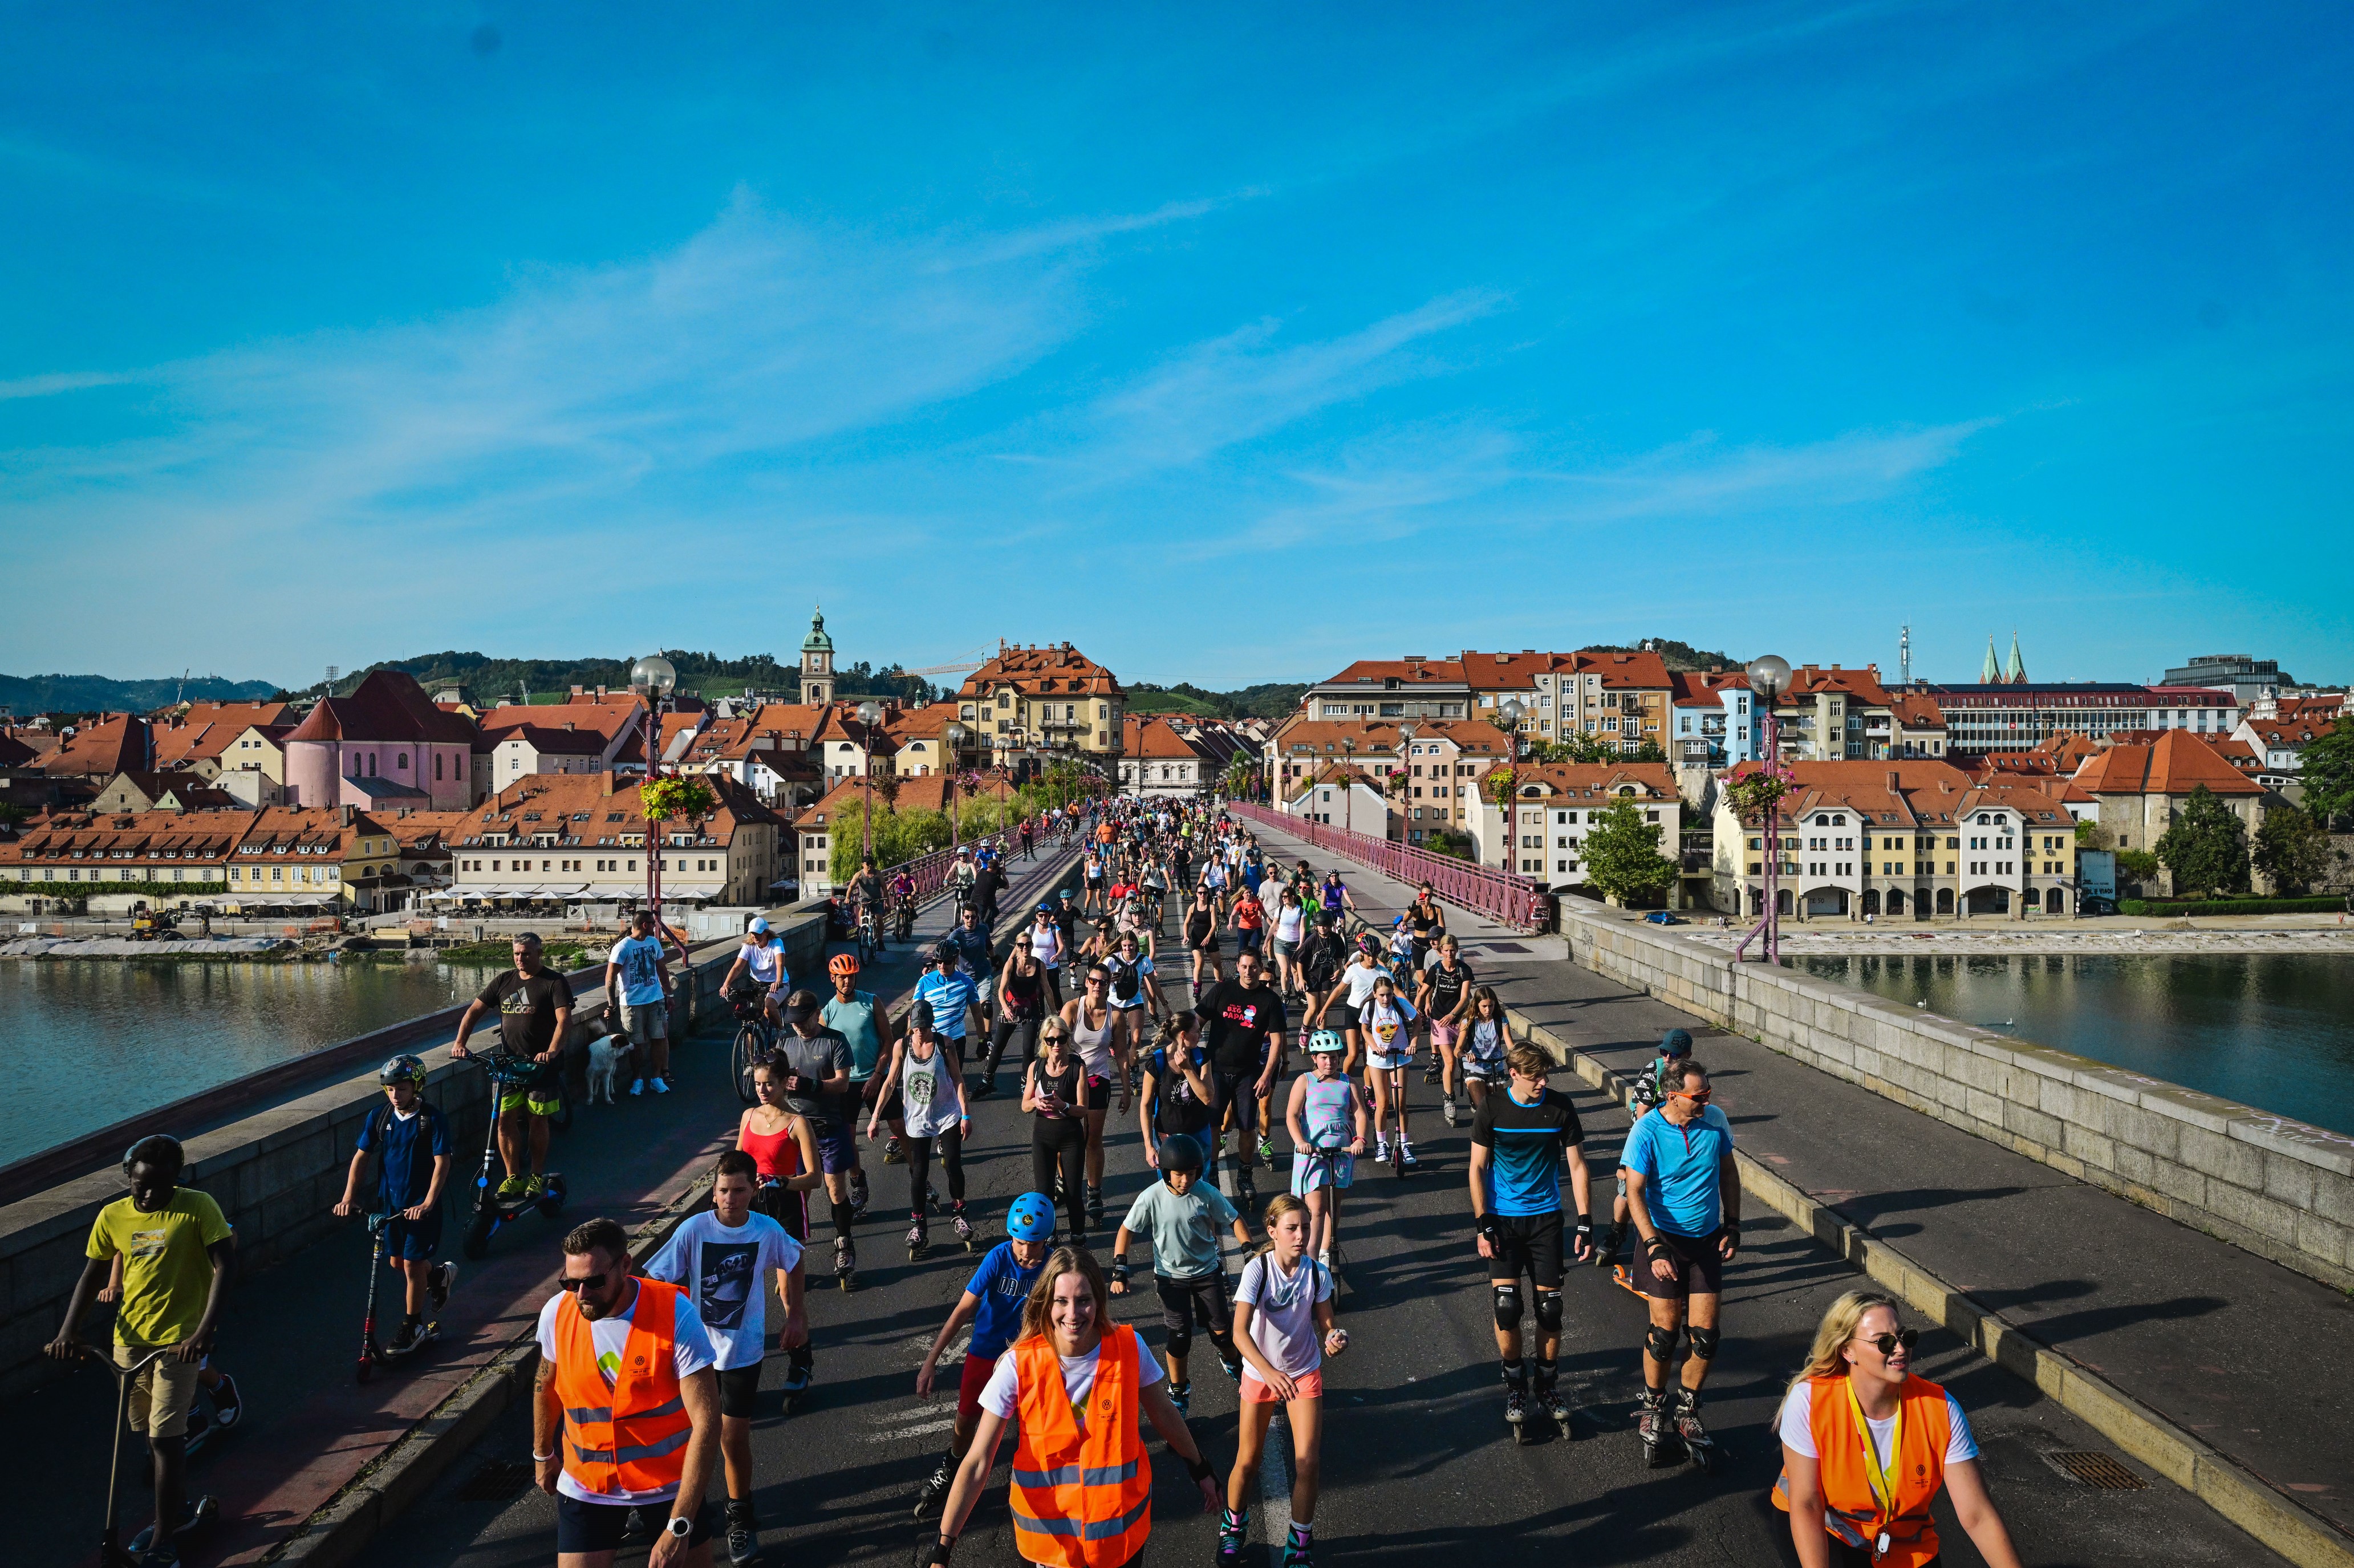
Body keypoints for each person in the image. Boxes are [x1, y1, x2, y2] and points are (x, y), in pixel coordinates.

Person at [930, 1246, 1219, 1568]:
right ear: (1046, 1302)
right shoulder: (1018, 1365)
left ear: (1098, 1301)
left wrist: (1199, 1466)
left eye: (1084, 1300)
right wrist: (944, 1546)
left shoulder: (1128, 1346)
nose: (1073, 1314)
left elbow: (1163, 1413)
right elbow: (978, 1460)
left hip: (1118, 1541)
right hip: (1051, 1548)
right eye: (1061, 1301)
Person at [48, 1134, 235, 1566]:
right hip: (128, 1342)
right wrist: (67, 1332)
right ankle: (182, 1511)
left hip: (179, 1342)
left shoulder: (198, 1207)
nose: (149, 1194)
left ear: (177, 1178)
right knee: (145, 1436)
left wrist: (204, 1332)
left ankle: (164, 1540)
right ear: (127, 1178)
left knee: (166, 1439)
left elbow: (227, 1264)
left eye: (160, 1185)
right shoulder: (112, 1216)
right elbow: (91, 1275)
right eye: (139, 1184)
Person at [1775, 1291, 2024, 1568]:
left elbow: (1977, 1515)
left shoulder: (1942, 1408)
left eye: (1906, 1337)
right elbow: (1807, 1503)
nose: (1900, 1349)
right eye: (1884, 1342)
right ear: (1848, 1351)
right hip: (1827, 1530)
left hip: (1900, 1541)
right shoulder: (1809, 1400)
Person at [645, 1153, 806, 1567]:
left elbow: (794, 1258)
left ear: (754, 1189)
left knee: (731, 1439)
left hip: (741, 1353)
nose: (730, 1199)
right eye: (722, 1191)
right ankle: (662, 1502)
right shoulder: (695, 1229)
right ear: (712, 1192)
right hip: (694, 1357)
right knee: (680, 1434)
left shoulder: (766, 1230)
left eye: (738, 1191)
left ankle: (740, 1515)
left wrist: (796, 1315)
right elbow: (657, 1278)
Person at [535, 1217, 721, 1568]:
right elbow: (545, 1385)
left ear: (625, 1265)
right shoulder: (557, 1313)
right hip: (588, 1484)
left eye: (592, 1281)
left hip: (668, 1487)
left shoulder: (675, 1314)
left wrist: (679, 1527)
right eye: (570, 1282)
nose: (580, 1295)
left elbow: (708, 1422)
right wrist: (542, 1455)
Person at [1468, 1043, 1594, 1435]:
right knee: (1507, 1307)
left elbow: (1577, 1165)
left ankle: (1548, 1384)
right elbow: (1476, 1167)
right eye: (1537, 1076)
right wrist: (1483, 1223)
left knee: (1550, 1309)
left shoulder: (1559, 1107)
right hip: (1504, 1220)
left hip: (1546, 1220)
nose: (1544, 1082)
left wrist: (1586, 1221)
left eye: (1546, 1075)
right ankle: (1515, 1384)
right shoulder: (1492, 1108)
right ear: (1515, 1075)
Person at [1622, 1057, 1740, 1464]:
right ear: (1673, 1096)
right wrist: (1652, 1245)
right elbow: (1634, 1192)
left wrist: (1734, 1224)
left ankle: (1688, 1411)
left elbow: (1729, 1173)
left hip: (1706, 1240)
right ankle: (1654, 1406)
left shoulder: (1715, 1122)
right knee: (1665, 1335)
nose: (1707, 1101)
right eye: (1699, 1095)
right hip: (1665, 1242)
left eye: (1708, 1093)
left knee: (1706, 1337)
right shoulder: (1647, 1130)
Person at [914, 1193, 1058, 1520]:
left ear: (1046, 1241)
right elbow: (964, 1308)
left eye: (1034, 1245)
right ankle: (953, 1463)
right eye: (1020, 1242)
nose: (1025, 1252)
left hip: (1027, 1353)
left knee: (1031, 1423)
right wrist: (930, 1361)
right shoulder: (997, 1257)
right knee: (966, 1418)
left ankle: (1031, 1481)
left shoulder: (1053, 1267)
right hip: (986, 1349)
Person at [1220, 1195, 1344, 1568]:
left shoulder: (1317, 1274)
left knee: (1308, 1463)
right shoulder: (1258, 1270)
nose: (1300, 1235)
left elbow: (1327, 1326)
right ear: (1272, 1231)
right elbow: (1239, 1333)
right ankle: (1233, 1527)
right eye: (1291, 1228)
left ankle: (1299, 1542)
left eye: (1305, 1227)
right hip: (1262, 1373)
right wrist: (1269, 1374)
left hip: (1303, 1372)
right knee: (1248, 1459)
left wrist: (1335, 1339)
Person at [1112, 1137, 1251, 1416]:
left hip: (1207, 1272)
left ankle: (1235, 1363)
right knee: (1179, 1336)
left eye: (1191, 1173)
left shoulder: (1206, 1193)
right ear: (1166, 1172)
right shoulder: (1152, 1197)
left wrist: (1249, 1253)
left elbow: (1234, 1219)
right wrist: (1120, 1268)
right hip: (1170, 1277)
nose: (1186, 1180)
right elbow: (1126, 1230)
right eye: (1179, 1174)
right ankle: (1179, 1390)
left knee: (1222, 1334)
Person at [331, 1054, 457, 1354]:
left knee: (412, 1266)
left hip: (420, 1208)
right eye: (389, 1090)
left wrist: (428, 1202)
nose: (395, 1096)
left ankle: (412, 1325)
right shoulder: (380, 1117)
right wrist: (349, 1196)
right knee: (397, 1263)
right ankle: (439, 1276)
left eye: (401, 1089)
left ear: (417, 1086)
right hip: (392, 1207)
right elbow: (362, 1157)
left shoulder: (432, 1119)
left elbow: (443, 1162)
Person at [452, 933, 574, 1197]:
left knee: (537, 1120)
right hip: (509, 1065)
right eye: (517, 953)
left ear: (539, 953)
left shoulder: (554, 982)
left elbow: (564, 1021)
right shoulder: (504, 980)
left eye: (526, 953)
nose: (520, 958)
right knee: (504, 1120)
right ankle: (512, 1177)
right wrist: (460, 1042)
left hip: (541, 1066)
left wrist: (552, 1051)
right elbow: (473, 1012)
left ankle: (536, 1175)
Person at [734, 1059, 823, 1398]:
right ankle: (738, 1369)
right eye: (757, 1084)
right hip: (751, 1207)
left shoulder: (798, 1124)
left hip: (786, 1208)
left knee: (789, 1296)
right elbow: (739, 1162)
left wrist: (780, 1182)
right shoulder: (748, 1117)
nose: (761, 1090)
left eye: (769, 1083)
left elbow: (814, 1178)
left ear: (786, 1083)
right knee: (741, 1289)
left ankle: (801, 1360)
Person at [870, 1000, 975, 1258]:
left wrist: (965, 1114)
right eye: (915, 1027)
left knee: (952, 1164)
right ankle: (919, 1225)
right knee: (919, 1174)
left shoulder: (944, 1044)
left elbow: (958, 1079)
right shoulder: (902, 1046)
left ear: (931, 1024)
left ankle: (959, 1213)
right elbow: (891, 1082)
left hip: (947, 1114)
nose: (919, 1032)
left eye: (923, 1027)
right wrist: (874, 1118)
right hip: (917, 1119)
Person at [773, 990, 860, 1290]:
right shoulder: (785, 1043)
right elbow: (776, 1081)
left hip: (828, 1127)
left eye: (802, 1020)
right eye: (792, 1021)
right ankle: (793, 1261)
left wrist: (810, 1084)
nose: (797, 1026)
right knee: (798, 1195)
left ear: (815, 1014)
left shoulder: (835, 1041)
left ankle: (844, 1245)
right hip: (797, 1131)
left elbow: (843, 1083)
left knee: (835, 1189)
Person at [1596, 1028, 1693, 1274]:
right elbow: (1642, 1114)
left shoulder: (1693, 1077)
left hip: (1678, 1141)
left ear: (1688, 1055)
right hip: (1646, 1137)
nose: (1668, 1058)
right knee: (1629, 1190)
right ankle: (1615, 1234)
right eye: (1664, 1052)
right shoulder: (1654, 1070)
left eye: (1675, 1055)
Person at [1198, 948, 1287, 1212]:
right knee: (1214, 1125)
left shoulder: (1269, 1000)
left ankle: (1245, 1175)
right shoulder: (1222, 991)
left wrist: (1267, 1075)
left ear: (1260, 968)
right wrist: (1188, 1053)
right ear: (1237, 966)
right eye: (1244, 967)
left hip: (1248, 1073)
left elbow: (1278, 1041)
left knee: (1247, 1127)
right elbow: (1197, 1021)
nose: (1249, 972)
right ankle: (1211, 1171)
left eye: (1254, 967)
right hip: (1216, 1071)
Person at [1285, 1031, 1366, 1267]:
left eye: (1333, 1057)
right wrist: (1300, 1142)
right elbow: (1292, 1115)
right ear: (1314, 1058)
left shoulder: (1348, 1082)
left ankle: (1325, 1251)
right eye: (1324, 1058)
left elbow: (1360, 1113)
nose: (1329, 1062)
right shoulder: (1305, 1081)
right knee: (1317, 1208)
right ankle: (1310, 1257)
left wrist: (1359, 1139)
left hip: (1342, 1151)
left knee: (1334, 1205)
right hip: (1314, 1151)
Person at [1059, 963, 1131, 1225]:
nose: (1097, 986)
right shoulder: (1071, 1009)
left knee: (1093, 1140)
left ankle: (1094, 1192)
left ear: (1108, 984)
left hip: (1098, 1080)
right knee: (1064, 1137)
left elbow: (1121, 1055)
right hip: (1070, 1078)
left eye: (1103, 982)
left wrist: (1126, 1089)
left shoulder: (1116, 1016)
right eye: (1093, 981)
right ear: (1086, 982)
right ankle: (1062, 1180)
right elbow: (1057, 1043)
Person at [821, 953, 889, 1220]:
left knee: (899, 1127)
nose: (847, 981)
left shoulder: (871, 1002)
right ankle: (858, 1180)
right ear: (833, 979)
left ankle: (918, 1175)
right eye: (842, 977)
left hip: (874, 1077)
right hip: (846, 1083)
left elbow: (888, 1041)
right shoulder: (827, 1012)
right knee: (848, 1138)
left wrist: (878, 1075)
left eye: (851, 976)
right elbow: (823, 1052)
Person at [1024, 1019, 1093, 1247]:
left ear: (1067, 1039)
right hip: (1043, 1136)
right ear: (1044, 1040)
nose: (1056, 1045)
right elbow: (1024, 1105)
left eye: (1061, 1039)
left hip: (1070, 1137)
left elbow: (1083, 1110)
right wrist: (1035, 1102)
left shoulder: (1077, 1067)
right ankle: (1049, 1238)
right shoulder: (1037, 1067)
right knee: (1044, 1194)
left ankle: (1078, 1240)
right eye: (1050, 1040)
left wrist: (1063, 1106)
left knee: (1073, 1193)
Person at [1139, 1010, 1215, 1181]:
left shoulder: (1201, 1057)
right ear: (1184, 1035)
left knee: (1199, 1188)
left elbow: (1208, 1098)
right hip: (1168, 1139)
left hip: (1199, 1136)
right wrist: (1149, 1146)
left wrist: (1188, 1069)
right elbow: (1145, 1105)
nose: (1200, 1034)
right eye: (1196, 1031)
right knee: (1169, 1188)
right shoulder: (1157, 1062)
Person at [606, 912, 676, 1096]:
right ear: (645, 925)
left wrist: (669, 994)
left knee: (658, 1039)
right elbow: (610, 978)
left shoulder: (653, 943)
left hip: (655, 999)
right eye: (653, 923)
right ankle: (637, 1079)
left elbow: (662, 970)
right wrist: (611, 1004)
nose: (655, 926)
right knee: (636, 1044)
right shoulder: (623, 947)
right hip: (632, 1003)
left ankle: (656, 1078)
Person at [1357, 972, 1420, 1167]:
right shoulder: (1370, 1007)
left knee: (1400, 1103)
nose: (1386, 999)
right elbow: (1364, 1029)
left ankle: (1404, 1143)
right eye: (1382, 995)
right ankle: (1382, 1142)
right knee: (1382, 1104)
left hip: (1400, 1056)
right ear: (1375, 994)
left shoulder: (1401, 1005)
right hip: (1377, 1060)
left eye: (1389, 995)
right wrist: (1374, 1046)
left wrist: (1414, 1042)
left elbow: (1418, 1022)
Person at [1310, 936, 1391, 1081]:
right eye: (1368, 955)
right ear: (1362, 954)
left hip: (1371, 1016)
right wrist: (1324, 1010)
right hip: (1353, 1012)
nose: (1371, 959)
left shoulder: (1383, 972)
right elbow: (1338, 991)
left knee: (1370, 1056)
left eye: (1374, 956)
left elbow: (1396, 992)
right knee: (1353, 1054)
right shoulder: (1354, 969)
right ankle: (1343, 1083)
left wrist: (1412, 1006)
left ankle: (1368, 1090)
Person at [1416, 935, 1477, 1121]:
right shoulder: (1435, 969)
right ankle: (1449, 1100)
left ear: (1456, 951)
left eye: (1453, 950)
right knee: (1450, 1061)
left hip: (1461, 1021)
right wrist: (1414, 1010)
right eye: (1447, 950)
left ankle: (1475, 1096)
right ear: (1441, 951)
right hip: (1439, 1021)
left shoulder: (1464, 970)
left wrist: (1453, 1015)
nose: (1450, 954)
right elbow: (1423, 991)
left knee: (1467, 1062)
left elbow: (1465, 998)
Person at [980, 943, 1049, 1099]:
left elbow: (1047, 988)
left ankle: (1026, 1083)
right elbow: (1001, 990)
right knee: (998, 1045)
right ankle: (987, 1080)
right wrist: (1005, 1008)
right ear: (1017, 947)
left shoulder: (1039, 964)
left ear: (1032, 946)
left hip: (1031, 1009)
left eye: (1028, 945)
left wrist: (1055, 1012)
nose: (1025, 948)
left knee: (1028, 1049)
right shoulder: (1011, 964)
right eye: (1021, 945)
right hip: (1011, 1007)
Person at [1101, 930, 1164, 1074]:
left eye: (1131, 946)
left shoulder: (1144, 960)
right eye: (1124, 946)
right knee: (1114, 1042)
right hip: (1114, 1003)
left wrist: (1165, 1004)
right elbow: (1097, 980)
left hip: (1135, 1002)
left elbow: (1154, 984)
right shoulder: (1111, 960)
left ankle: (1133, 1070)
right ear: (1120, 945)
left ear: (1136, 945)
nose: (1127, 949)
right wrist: (1108, 980)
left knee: (1136, 1038)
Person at [1458, 986, 1511, 1119]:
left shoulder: (1502, 1021)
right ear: (1477, 1005)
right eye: (1484, 1006)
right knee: (1483, 1108)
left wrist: (1521, 1057)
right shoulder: (1468, 1022)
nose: (1488, 1010)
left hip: (1495, 1068)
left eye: (1491, 1006)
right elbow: (1457, 1050)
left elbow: (1511, 1046)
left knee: (1497, 1109)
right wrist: (1465, 1055)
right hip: (1475, 1068)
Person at [721, 917, 789, 1012]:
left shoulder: (776, 943)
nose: (755, 936)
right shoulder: (749, 946)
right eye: (753, 933)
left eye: (758, 933)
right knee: (752, 1014)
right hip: (757, 983)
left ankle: (780, 1027)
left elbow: (780, 963)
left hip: (777, 984)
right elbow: (737, 967)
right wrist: (726, 984)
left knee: (768, 1009)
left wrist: (778, 981)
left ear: (766, 933)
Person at [1267, 884, 1307, 999]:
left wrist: (1301, 943)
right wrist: (1266, 941)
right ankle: (1285, 993)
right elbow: (1273, 926)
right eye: (1282, 897)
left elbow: (1302, 928)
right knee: (1285, 970)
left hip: (1295, 944)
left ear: (1293, 897)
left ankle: (1299, 993)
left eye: (1286, 896)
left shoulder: (1301, 911)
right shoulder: (1280, 910)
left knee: (1296, 972)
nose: (1284, 899)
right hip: (1281, 943)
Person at [1026, 901, 1068, 1011]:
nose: (1043, 917)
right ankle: (1041, 1016)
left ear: (1049, 916)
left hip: (1051, 967)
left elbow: (1062, 946)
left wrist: (1057, 955)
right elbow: (1022, 945)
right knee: (1039, 993)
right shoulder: (1031, 929)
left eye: (1046, 915)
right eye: (1041, 915)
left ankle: (1060, 1014)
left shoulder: (1055, 929)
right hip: (1036, 968)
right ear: (1037, 916)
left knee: (1055, 992)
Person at [1405, 883, 1445, 970]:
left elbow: (1442, 929)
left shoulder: (1438, 909)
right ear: (1421, 894)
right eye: (1425, 895)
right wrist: (1413, 907)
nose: (1427, 898)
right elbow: (1405, 919)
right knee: (1422, 979)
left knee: (1434, 974)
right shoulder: (1417, 909)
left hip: (1432, 945)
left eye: (1430, 895)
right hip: (1418, 946)